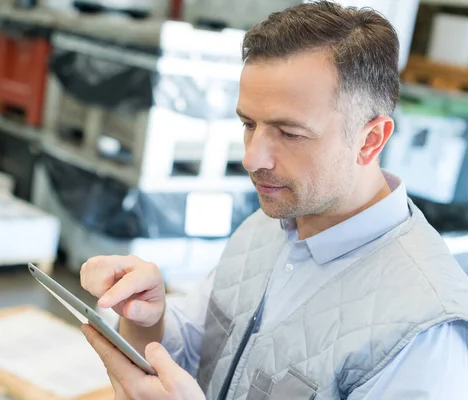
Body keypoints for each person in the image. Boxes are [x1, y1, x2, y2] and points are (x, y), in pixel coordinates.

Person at [79, 1, 468, 399]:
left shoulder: (425, 333)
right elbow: (198, 351)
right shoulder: (267, 225)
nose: (252, 158)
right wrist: (148, 316)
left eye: (289, 133)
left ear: (370, 140)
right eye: (249, 124)